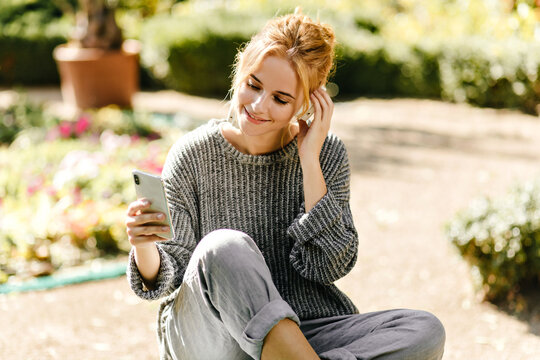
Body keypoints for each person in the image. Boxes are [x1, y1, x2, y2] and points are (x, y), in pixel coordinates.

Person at [125, 10, 445, 360]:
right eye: (254, 85)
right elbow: (167, 281)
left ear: (306, 104)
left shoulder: (326, 154)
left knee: (424, 330)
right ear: (240, 72)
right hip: (213, 338)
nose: (259, 106)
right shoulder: (193, 154)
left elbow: (329, 266)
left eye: (280, 99)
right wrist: (144, 246)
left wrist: (310, 160)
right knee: (223, 247)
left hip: (307, 330)